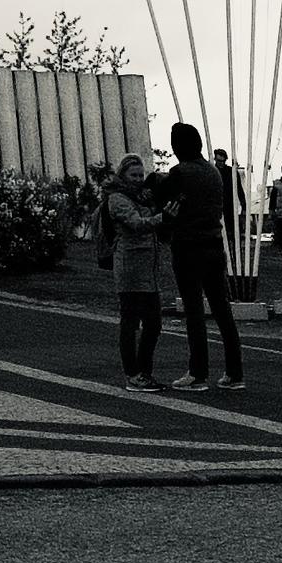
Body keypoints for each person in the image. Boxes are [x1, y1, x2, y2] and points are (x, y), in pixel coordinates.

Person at [150, 120, 244, 394]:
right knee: (222, 308)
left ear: (177, 146)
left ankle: (198, 372)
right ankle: (234, 372)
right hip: (214, 243)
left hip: (188, 244)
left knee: (194, 310)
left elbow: (164, 199)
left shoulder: (181, 172)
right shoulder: (214, 172)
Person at [102, 152, 166, 388]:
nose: (139, 179)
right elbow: (136, 224)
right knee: (130, 322)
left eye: (141, 174)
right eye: (134, 175)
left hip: (148, 269)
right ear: (123, 175)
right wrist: (162, 217)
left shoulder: (143, 197)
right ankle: (133, 373)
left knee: (153, 323)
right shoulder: (117, 199)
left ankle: (144, 371)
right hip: (130, 267)